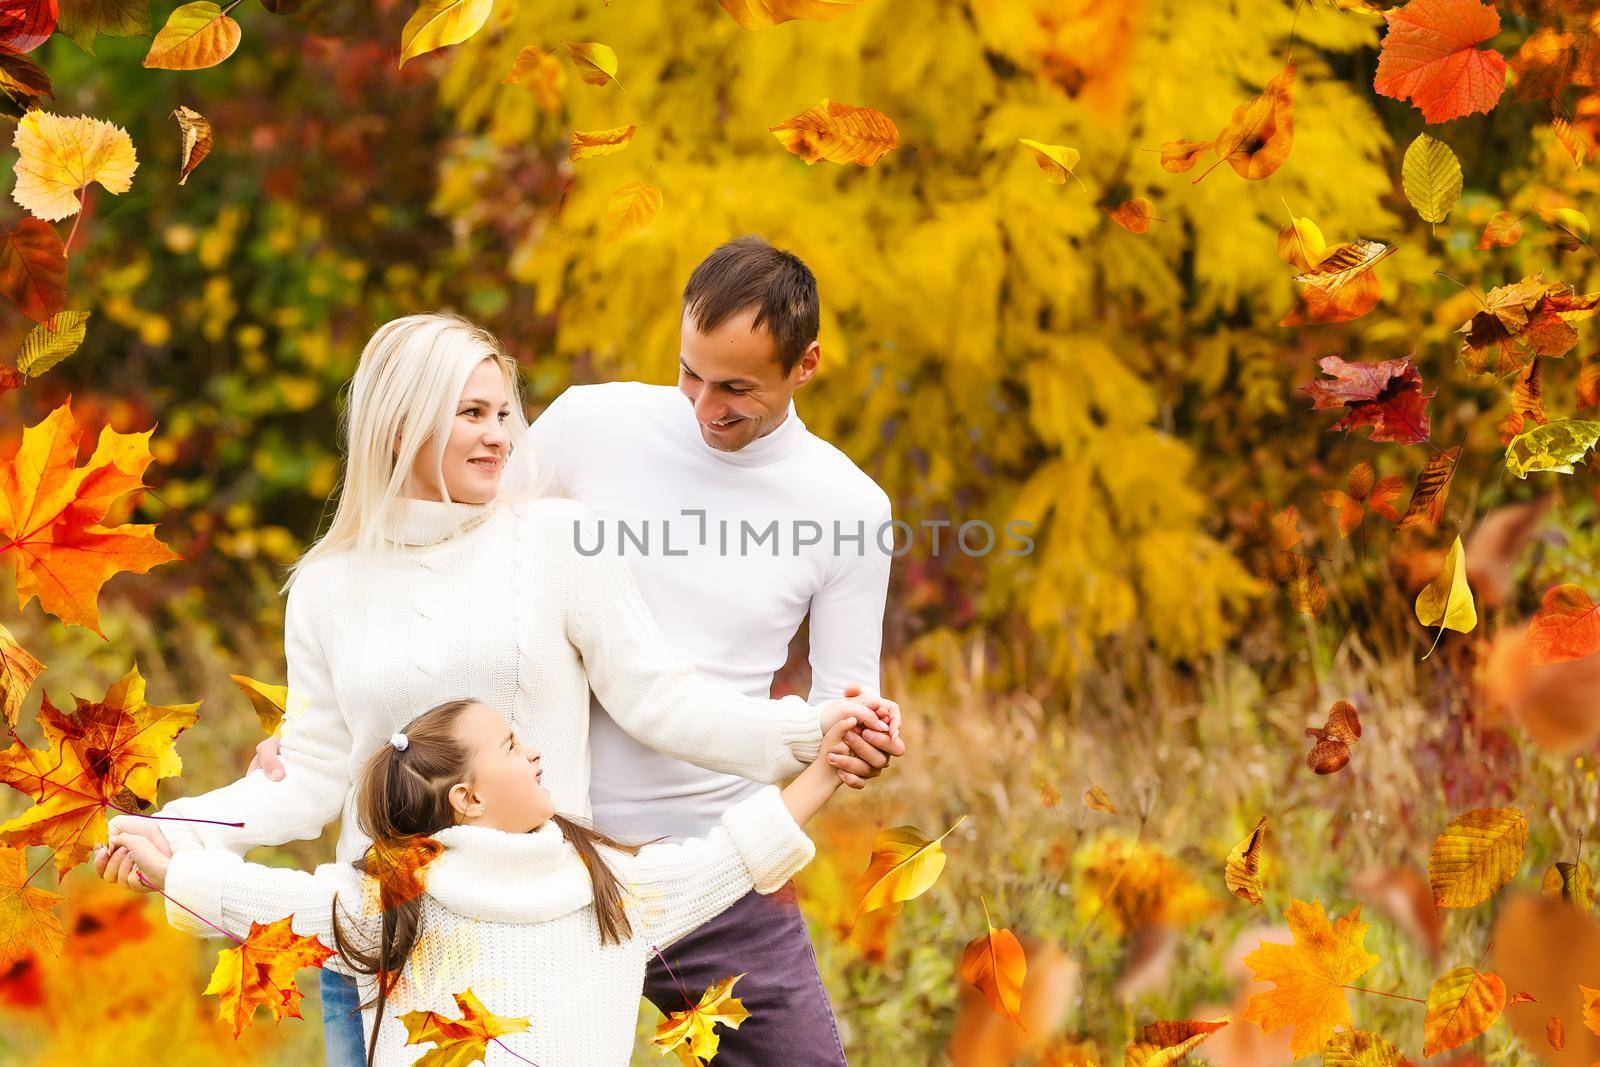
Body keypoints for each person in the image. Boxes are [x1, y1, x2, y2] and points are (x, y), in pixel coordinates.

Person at [105, 311, 904, 1067]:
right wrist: (185, 829)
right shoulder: (327, 583)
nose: (499, 436)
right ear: (402, 421)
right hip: (391, 937)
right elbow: (313, 771)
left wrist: (812, 733)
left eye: (503, 413)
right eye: (472, 413)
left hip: (544, 929)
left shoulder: (557, 540)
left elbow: (659, 699)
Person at [98, 698, 869, 1066]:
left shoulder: (612, 885)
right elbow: (275, 901)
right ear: (466, 798)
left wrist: (828, 762)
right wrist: (174, 864)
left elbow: (734, 851)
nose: (533, 752)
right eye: (509, 743)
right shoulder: (397, 895)